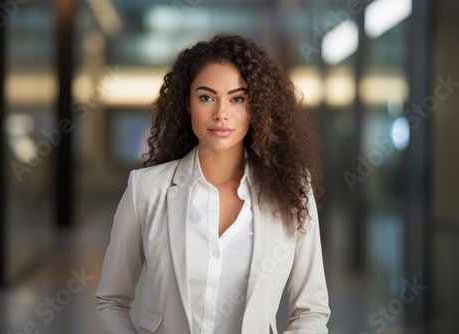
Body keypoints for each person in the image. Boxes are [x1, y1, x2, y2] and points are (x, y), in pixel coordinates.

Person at [95, 34, 330, 334]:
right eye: (206, 97)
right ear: (188, 103)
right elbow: (112, 301)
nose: (221, 113)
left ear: (256, 106)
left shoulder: (292, 190)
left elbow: (311, 311)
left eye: (237, 98)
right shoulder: (147, 189)